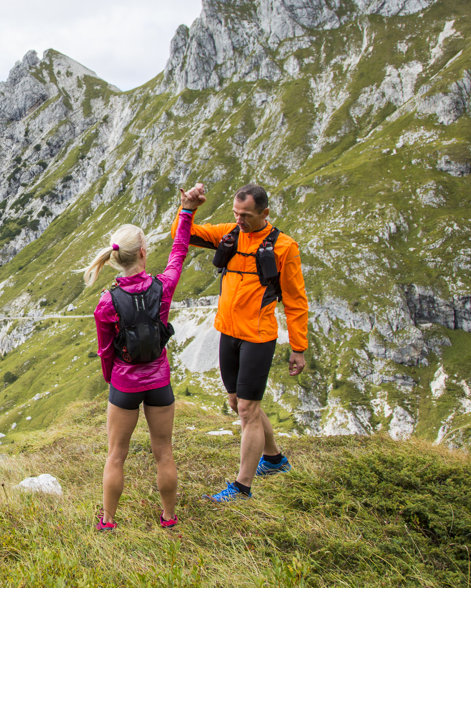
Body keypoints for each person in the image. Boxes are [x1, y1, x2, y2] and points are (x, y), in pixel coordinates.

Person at [172, 182, 308, 502]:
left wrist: (298, 348)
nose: (240, 220)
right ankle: (274, 459)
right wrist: (188, 208)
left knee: (248, 408)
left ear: (265, 213)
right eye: (236, 213)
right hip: (227, 332)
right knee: (237, 403)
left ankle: (242, 488)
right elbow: (185, 235)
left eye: (245, 215)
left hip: (258, 336)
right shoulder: (229, 234)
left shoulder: (284, 247)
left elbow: (296, 300)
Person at [86, 182, 207, 532]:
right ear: (142, 252)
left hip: (124, 385)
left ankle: (108, 522)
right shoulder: (162, 287)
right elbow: (179, 252)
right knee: (164, 453)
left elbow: (106, 351)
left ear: (114, 258)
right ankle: (169, 517)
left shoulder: (106, 303)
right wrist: (186, 211)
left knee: (116, 456)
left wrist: (114, 382)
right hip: (159, 382)